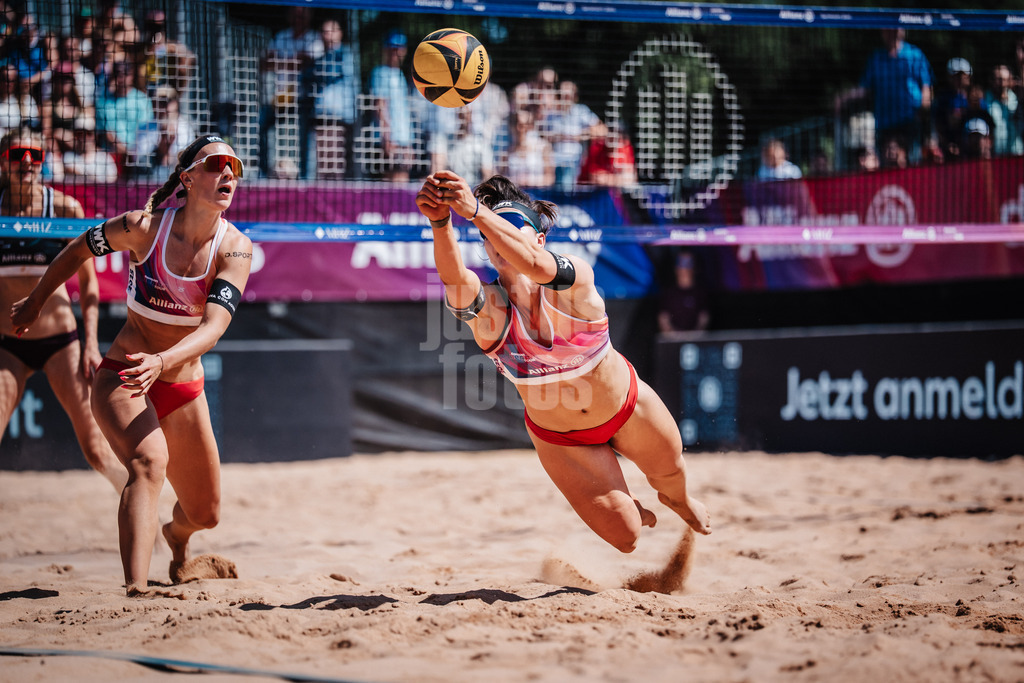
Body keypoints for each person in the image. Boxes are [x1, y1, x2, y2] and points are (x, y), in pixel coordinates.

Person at [415, 170, 711, 556]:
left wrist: (476, 212)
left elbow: (537, 266)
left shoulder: (575, 280)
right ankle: (631, 506)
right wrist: (440, 223)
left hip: (626, 407)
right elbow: (454, 280)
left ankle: (680, 501)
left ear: (539, 239)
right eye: (491, 233)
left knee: (671, 478)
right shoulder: (493, 311)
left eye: (512, 226)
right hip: (562, 439)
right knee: (626, 537)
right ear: (486, 247)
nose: (500, 236)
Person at [11, 134, 252, 596]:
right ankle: (136, 589)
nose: (228, 174)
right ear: (187, 178)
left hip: (178, 380)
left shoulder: (236, 248)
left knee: (206, 513)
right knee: (148, 462)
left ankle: (176, 538)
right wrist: (38, 300)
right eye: (217, 164)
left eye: (234, 168)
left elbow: (212, 330)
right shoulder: (143, 228)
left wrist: (162, 362)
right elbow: (79, 248)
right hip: (125, 371)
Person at [0, 129, 125, 492]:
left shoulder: (65, 210)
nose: (27, 161)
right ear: (3, 161)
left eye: (35, 155)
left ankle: (143, 513)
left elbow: (89, 284)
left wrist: (89, 344)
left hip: (61, 344)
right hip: (8, 345)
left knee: (97, 450)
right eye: (18, 153)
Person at [836, 29, 934, 163]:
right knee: (885, 164)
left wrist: (924, 109)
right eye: (887, 30)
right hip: (885, 123)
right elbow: (864, 88)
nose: (891, 33)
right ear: (882, 33)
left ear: (902, 31)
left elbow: (926, 86)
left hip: (910, 121)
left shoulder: (915, 54)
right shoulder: (876, 58)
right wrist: (844, 98)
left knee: (912, 161)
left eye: (895, 30)